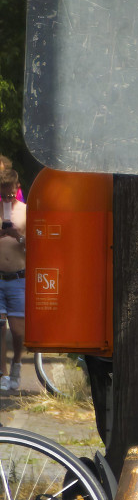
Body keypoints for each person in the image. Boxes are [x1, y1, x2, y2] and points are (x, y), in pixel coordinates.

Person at [0, 168, 25, 392]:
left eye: (10, 194)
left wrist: (20, 237)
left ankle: (17, 364)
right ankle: (3, 373)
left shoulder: (26, 211)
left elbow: (38, 245)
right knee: (0, 326)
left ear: (17, 188)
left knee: (18, 331)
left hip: (18, 278)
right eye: (3, 194)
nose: (7, 198)